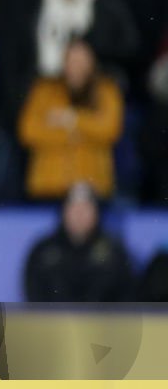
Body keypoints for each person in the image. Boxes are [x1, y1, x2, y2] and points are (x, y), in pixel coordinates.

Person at [18, 38, 123, 200]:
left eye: (82, 60)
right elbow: (28, 131)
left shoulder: (107, 91)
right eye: (72, 60)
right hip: (48, 187)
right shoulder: (44, 91)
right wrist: (76, 134)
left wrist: (72, 120)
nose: (77, 67)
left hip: (93, 189)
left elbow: (110, 129)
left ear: (92, 61)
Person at [23, 182, 133, 302]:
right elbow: (33, 295)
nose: (79, 215)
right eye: (74, 208)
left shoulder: (114, 252)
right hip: (53, 319)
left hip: (102, 320)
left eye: (86, 209)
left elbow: (126, 296)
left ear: (96, 214)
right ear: (64, 212)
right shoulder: (44, 251)